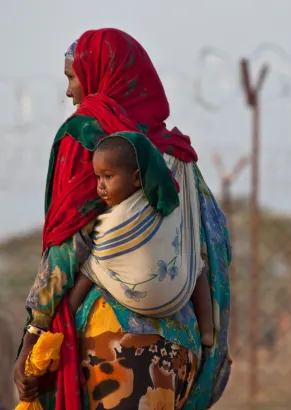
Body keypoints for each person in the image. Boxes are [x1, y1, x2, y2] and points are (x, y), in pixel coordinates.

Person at [14, 28, 231, 410]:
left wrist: (34, 333)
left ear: (100, 76)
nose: (69, 92)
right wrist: (214, 343)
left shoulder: (89, 137)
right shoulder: (180, 155)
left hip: (109, 344)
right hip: (182, 348)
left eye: (72, 78)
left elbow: (68, 245)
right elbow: (216, 247)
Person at [68, 135, 214, 347]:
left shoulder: (115, 218)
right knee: (195, 265)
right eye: (98, 177)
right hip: (175, 294)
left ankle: (67, 317)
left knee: (91, 270)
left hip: (136, 295)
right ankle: (207, 330)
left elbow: (96, 264)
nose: (101, 186)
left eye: (108, 177)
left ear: (137, 178)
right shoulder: (163, 201)